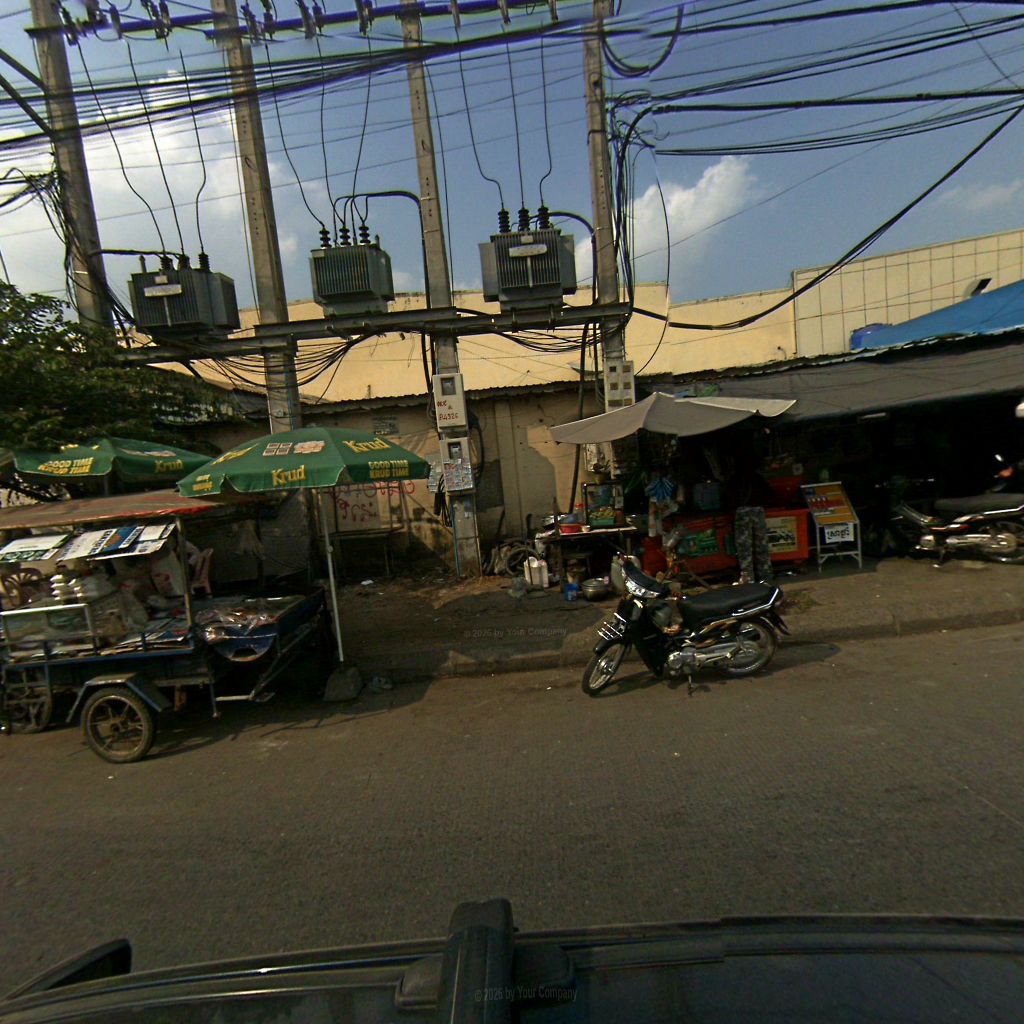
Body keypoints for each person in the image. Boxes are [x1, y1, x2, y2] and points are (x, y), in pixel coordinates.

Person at [721, 450, 777, 585]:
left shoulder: (735, 479)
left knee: (744, 548)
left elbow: (727, 498)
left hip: (742, 512)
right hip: (758, 511)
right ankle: (766, 576)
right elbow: (770, 494)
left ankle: (748, 578)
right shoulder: (758, 477)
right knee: (761, 545)